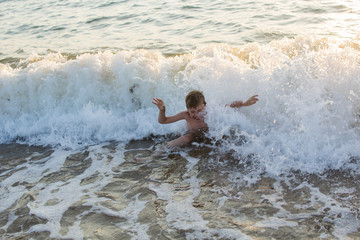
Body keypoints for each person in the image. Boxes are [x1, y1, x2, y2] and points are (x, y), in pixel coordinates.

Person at [152, 90, 259, 148]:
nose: (196, 115)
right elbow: (163, 121)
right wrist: (162, 111)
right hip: (192, 136)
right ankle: (156, 154)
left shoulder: (211, 110)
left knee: (224, 138)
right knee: (186, 138)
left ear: (204, 106)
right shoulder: (185, 115)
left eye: (199, 111)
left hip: (209, 137)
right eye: (192, 111)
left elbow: (231, 105)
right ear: (187, 109)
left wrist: (245, 103)